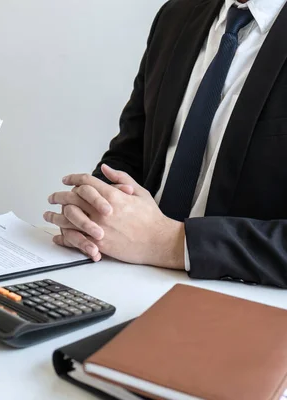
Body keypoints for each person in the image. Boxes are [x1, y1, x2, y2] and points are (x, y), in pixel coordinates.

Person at [44, 0, 287, 288]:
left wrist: (169, 242)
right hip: (123, 276)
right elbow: (130, 152)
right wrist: (94, 216)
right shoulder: (176, 15)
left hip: (243, 299)